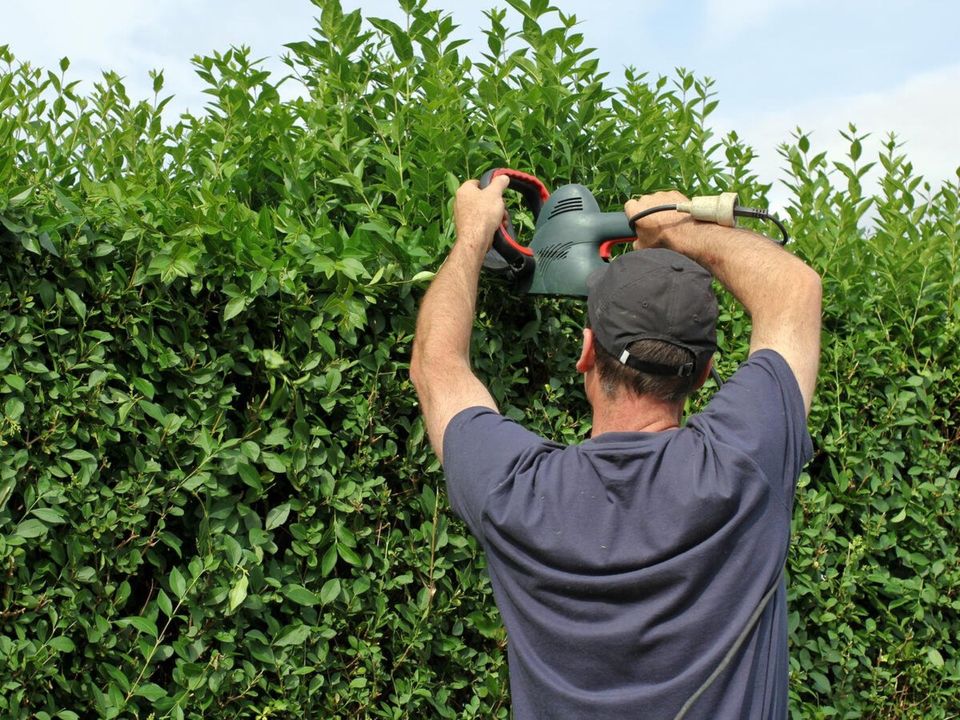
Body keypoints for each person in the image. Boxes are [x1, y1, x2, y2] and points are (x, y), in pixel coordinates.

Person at [409, 174, 822, 719]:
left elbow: (435, 365)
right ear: (703, 375)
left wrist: (472, 237)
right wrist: (678, 228)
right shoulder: (746, 459)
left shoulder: (518, 493)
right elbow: (794, 291)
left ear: (585, 353)